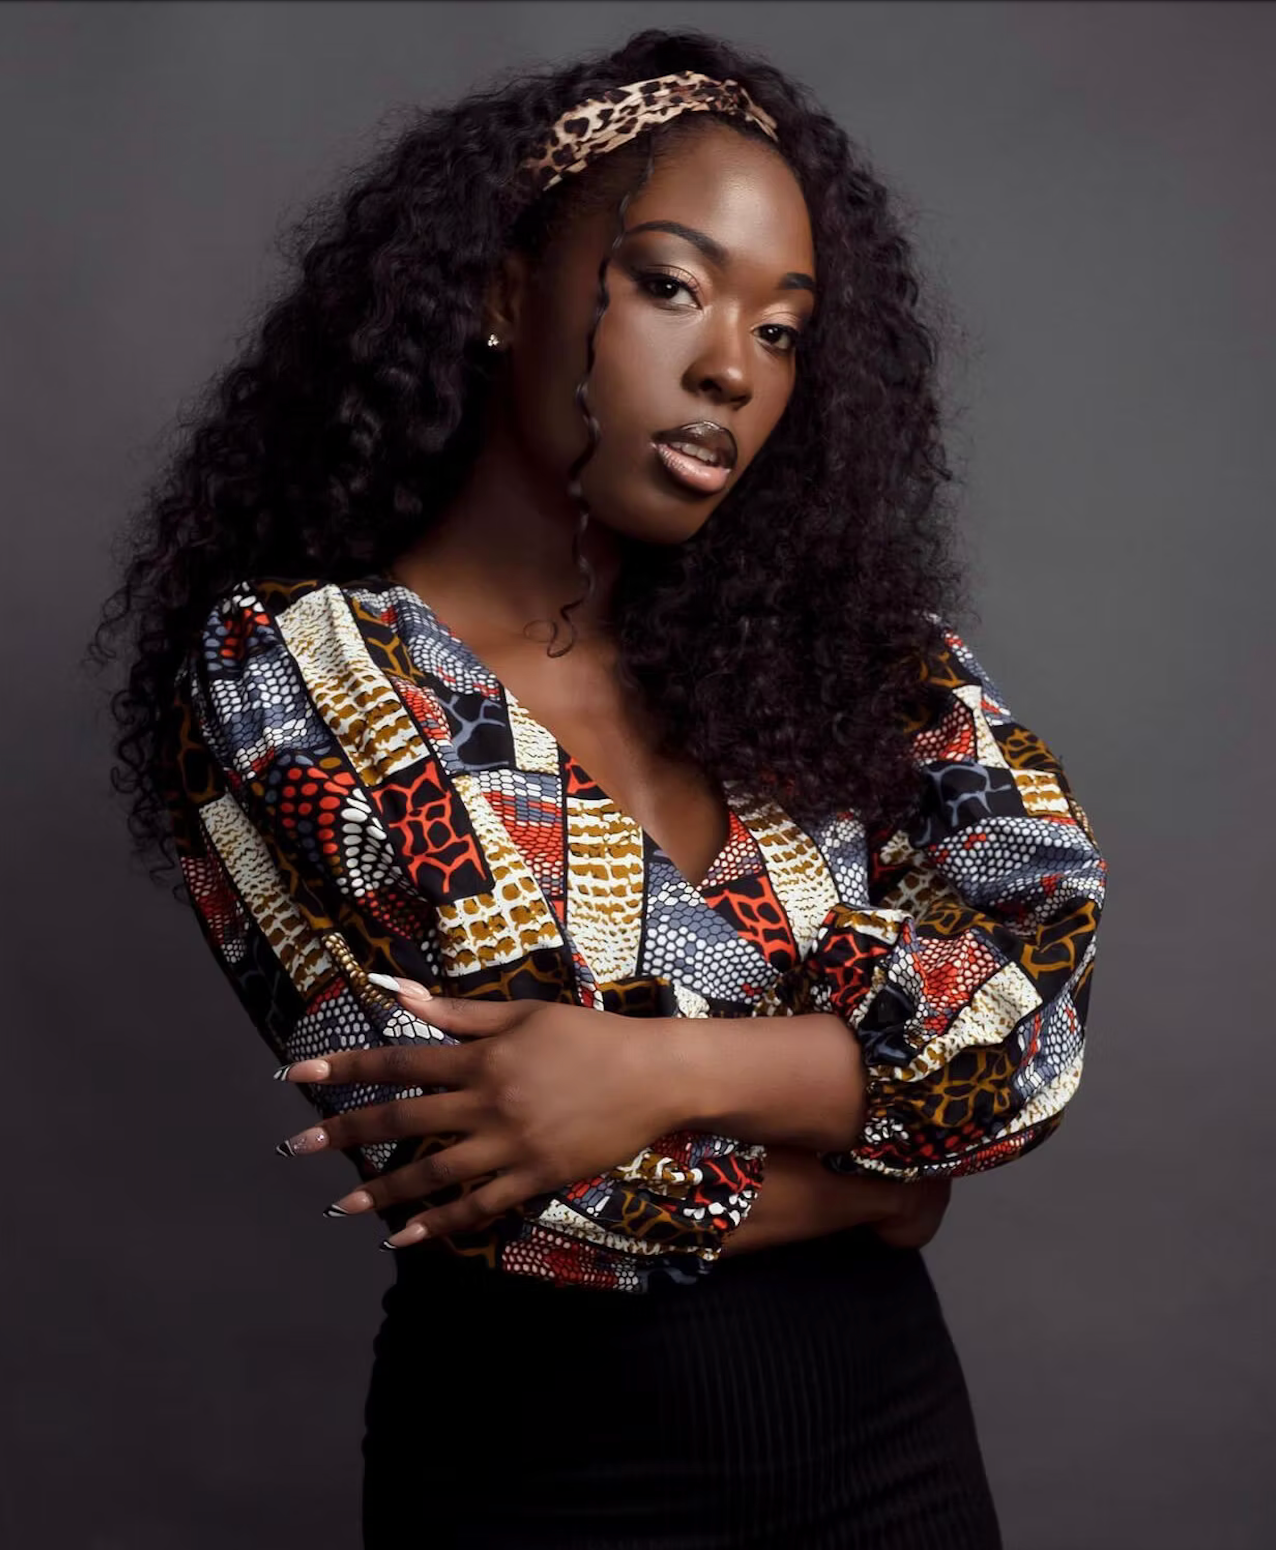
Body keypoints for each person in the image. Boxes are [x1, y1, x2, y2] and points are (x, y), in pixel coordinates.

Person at [93, 27, 1107, 1550]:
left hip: (890, 1450)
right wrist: (888, 1178)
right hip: (547, 1478)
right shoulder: (300, 676)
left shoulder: (846, 665)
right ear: (508, 291)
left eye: (783, 331)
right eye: (672, 284)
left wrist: (648, 1075)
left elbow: (1030, 1025)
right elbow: (502, 1200)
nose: (728, 369)